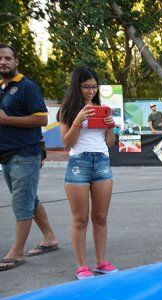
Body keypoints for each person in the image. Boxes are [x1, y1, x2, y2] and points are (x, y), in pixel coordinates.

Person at [0, 43, 59, 272]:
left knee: (22, 203)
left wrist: (7, 120)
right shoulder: (2, 88)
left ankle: (17, 252)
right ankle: (50, 238)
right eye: (0, 59)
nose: (3, 62)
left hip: (24, 154)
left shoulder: (27, 87)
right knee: (29, 199)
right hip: (7, 156)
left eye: (7, 58)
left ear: (16, 62)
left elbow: (42, 119)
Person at [58, 66, 119, 279]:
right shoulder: (67, 109)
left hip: (102, 161)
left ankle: (101, 262)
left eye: (94, 87)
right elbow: (67, 142)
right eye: (86, 87)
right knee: (80, 219)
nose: (91, 91)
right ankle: (81, 265)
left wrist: (110, 127)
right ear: (77, 86)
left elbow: (109, 142)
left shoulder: (101, 108)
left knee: (100, 217)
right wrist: (78, 120)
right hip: (78, 163)